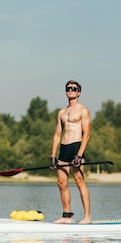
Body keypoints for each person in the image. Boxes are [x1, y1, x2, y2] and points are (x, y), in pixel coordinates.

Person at [50, 80, 92, 224]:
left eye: (74, 89)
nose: (70, 91)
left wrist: (79, 155)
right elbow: (57, 135)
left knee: (80, 181)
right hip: (64, 148)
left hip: (76, 147)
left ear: (78, 92)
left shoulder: (83, 110)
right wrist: (52, 156)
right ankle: (67, 216)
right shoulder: (62, 112)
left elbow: (87, 134)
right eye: (68, 88)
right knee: (61, 183)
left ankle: (87, 217)